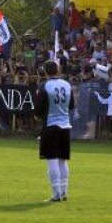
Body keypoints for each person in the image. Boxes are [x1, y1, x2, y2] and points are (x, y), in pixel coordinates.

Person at [35, 60, 73, 202]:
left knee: (52, 160)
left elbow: (38, 109)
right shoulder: (67, 85)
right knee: (63, 161)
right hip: (65, 126)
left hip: (50, 126)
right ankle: (64, 192)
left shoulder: (44, 85)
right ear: (58, 70)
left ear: (45, 71)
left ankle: (56, 193)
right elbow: (71, 105)